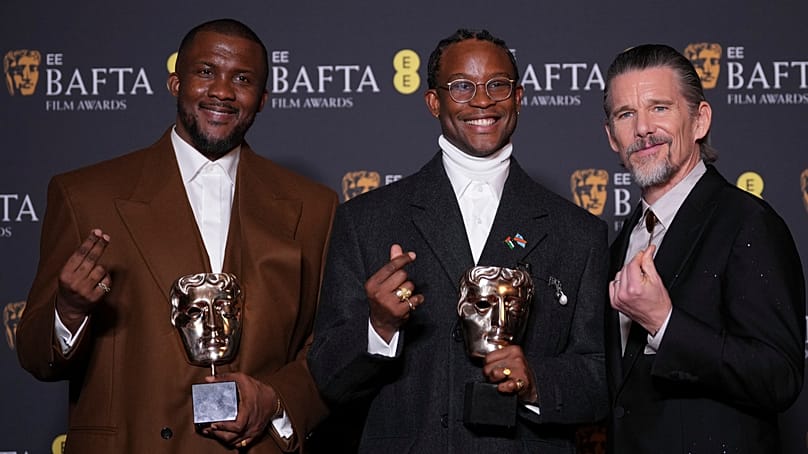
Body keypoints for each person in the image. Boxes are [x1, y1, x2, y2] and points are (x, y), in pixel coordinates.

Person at [16, 18, 337, 453]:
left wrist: (276, 400)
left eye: (242, 79)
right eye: (206, 71)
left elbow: (327, 348)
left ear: (262, 99)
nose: (222, 91)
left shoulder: (315, 206)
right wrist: (69, 311)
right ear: (175, 83)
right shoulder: (85, 196)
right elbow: (36, 356)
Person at [308, 29, 609, 453]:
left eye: (497, 85)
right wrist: (379, 328)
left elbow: (598, 380)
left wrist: (535, 381)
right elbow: (328, 377)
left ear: (519, 97)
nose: (482, 101)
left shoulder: (578, 232)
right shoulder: (366, 220)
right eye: (462, 86)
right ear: (434, 102)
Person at [602, 44, 805, 453]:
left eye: (660, 108)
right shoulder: (622, 239)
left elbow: (779, 376)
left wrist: (665, 323)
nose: (643, 128)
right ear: (611, 138)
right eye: (626, 114)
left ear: (699, 120)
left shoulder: (747, 221)